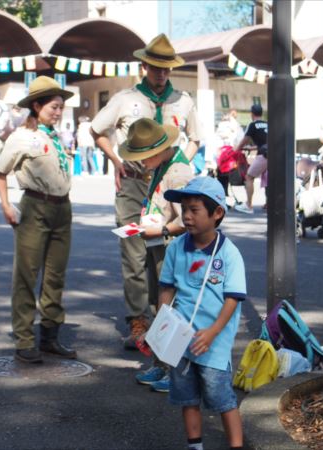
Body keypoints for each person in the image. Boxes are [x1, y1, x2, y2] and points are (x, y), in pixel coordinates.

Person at [90, 33, 200, 352]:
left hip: (167, 185)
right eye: (155, 67)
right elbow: (96, 130)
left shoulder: (183, 100)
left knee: (164, 254)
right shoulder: (125, 99)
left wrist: (176, 167)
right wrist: (116, 160)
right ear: (144, 66)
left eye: (166, 68)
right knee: (133, 253)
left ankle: (164, 324)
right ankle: (138, 322)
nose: (161, 74)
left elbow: (195, 138)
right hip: (135, 182)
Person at [160, 176, 247, 450]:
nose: (186, 216)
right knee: (187, 399)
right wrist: (161, 325)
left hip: (213, 345)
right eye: (184, 209)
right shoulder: (176, 247)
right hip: (180, 340)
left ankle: (236, 445)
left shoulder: (230, 254)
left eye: (194, 210)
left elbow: (232, 299)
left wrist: (212, 332)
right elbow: (166, 288)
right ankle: (194, 445)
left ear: (217, 213)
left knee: (223, 400)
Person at [0, 76, 76, 363]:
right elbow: (1, 173)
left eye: (61, 107)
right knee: (26, 276)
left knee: (55, 275)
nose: (58, 112)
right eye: (53, 107)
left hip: (62, 209)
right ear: (37, 105)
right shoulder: (22, 137)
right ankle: (24, 340)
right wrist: (6, 205)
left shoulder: (56, 136)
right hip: (35, 206)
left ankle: (50, 336)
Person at [119, 118, 194, 392]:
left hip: (171, 248)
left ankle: (176, 371)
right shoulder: (163, 167)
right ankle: (162, 364)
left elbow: (187, 220)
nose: (140, 164)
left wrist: (160, 229)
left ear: (156, 151)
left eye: (143, 158)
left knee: (173, 310)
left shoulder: (178, 173)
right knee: (158, 305)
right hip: (157, 245)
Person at [234, 104, 268, 214]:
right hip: (273, 154)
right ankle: (269, 203)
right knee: (269, 180)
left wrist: (237, 149)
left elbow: (245, 139)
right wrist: (252, 147)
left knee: (249, 177)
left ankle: (248, 205)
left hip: (264, 155)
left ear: (252, 114)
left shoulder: (252, 125)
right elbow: (265, 142)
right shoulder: (267, 124)